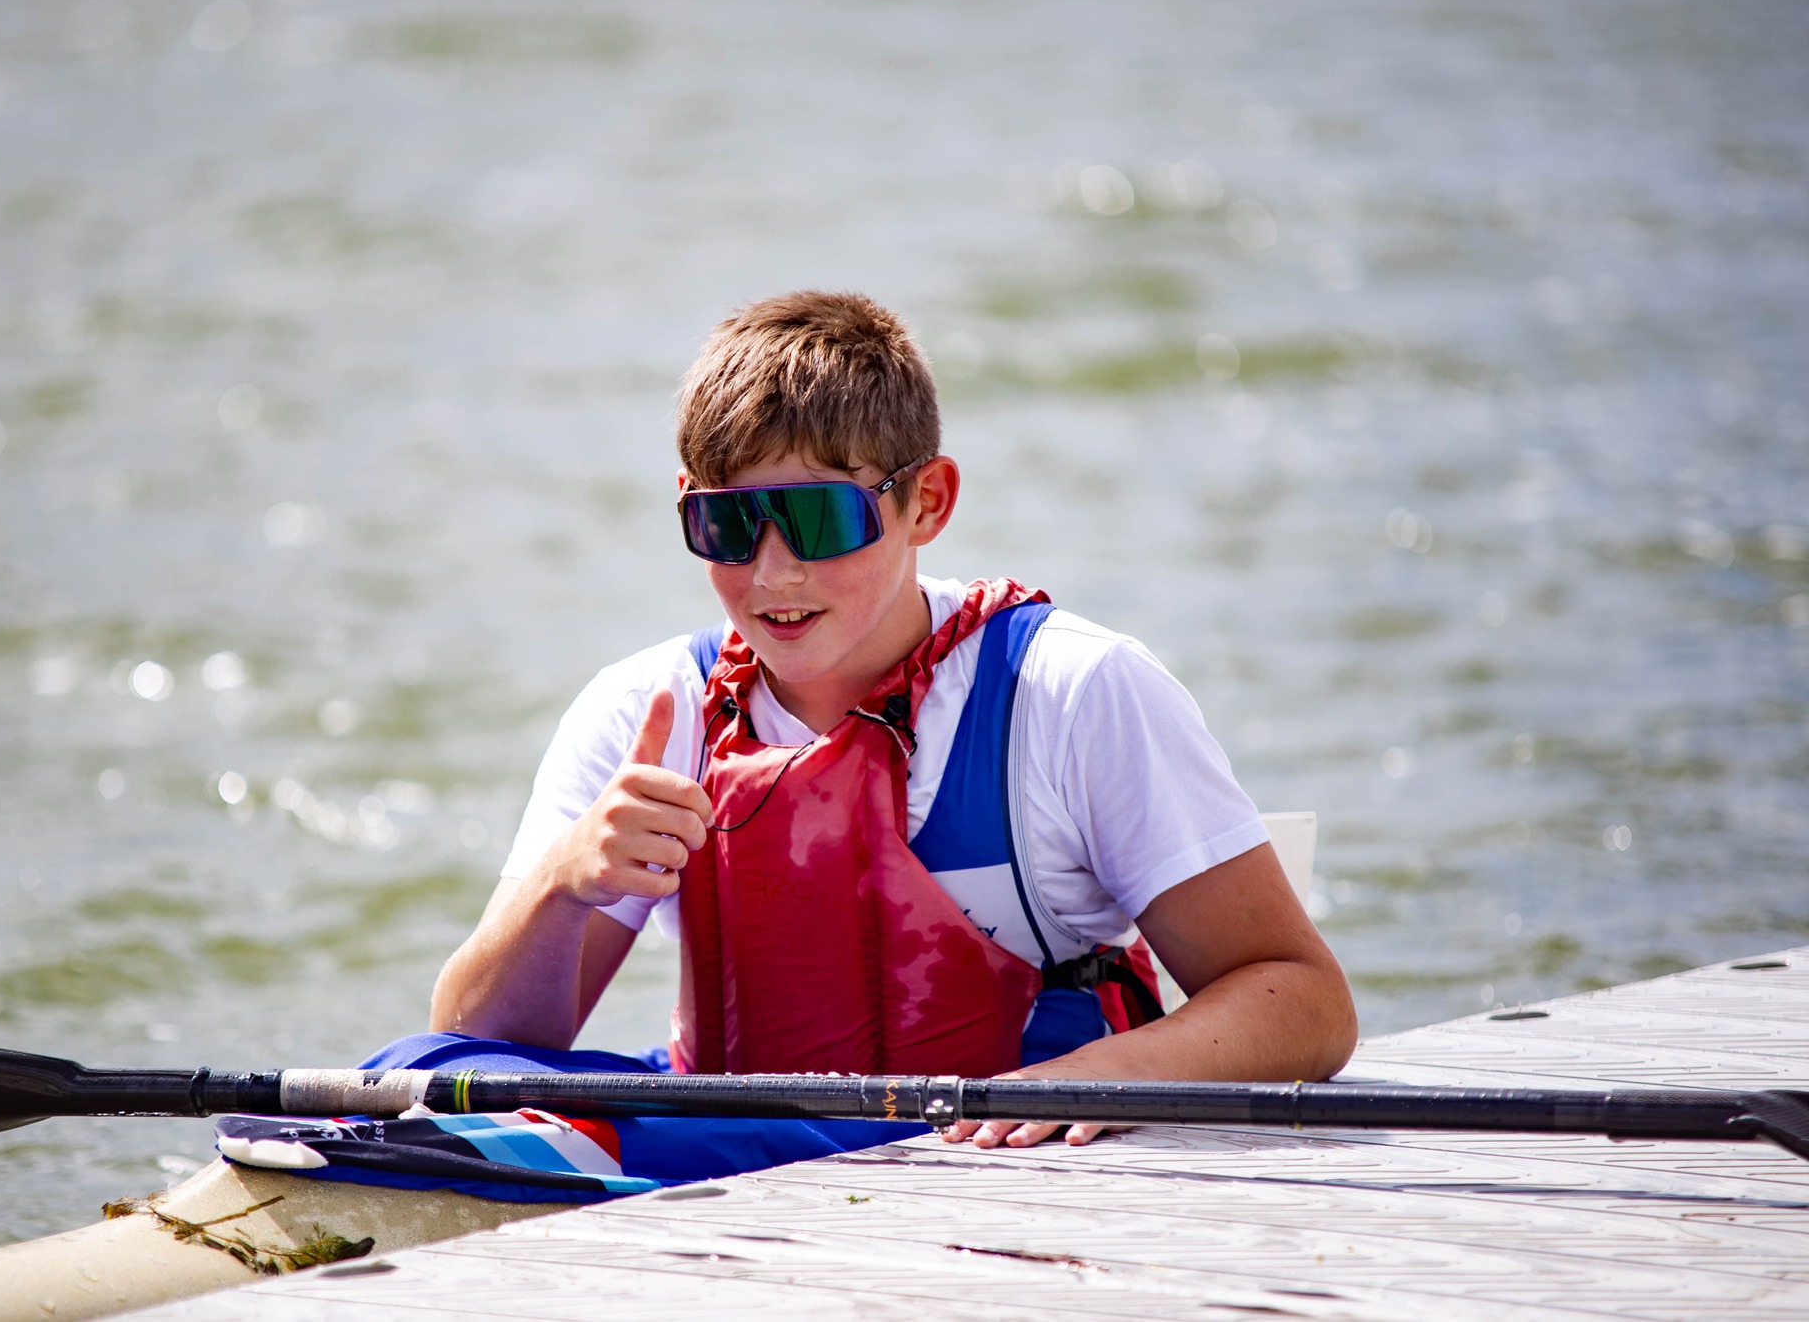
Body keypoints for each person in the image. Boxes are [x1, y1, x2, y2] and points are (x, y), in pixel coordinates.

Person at [430, 291, 1356, 1150]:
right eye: (728, 524)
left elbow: (1307, 1000)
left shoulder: (1075, 691)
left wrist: (1109, 1077)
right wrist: (564, 881)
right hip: (736, 1141)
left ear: (929, 502)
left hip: (997, 1153)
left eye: (820, 520)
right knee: (413, 1074)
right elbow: (473, 1045)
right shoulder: (645, 708)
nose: (773, 572)